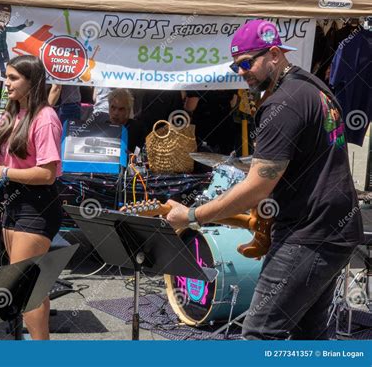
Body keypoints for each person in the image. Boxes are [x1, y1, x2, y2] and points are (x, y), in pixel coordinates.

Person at [166, 19, 363, 340]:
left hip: (309, 233)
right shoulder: (312, 85)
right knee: (307, 336)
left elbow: (258, 186)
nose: (242, 72)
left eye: (247, 62)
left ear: (274, 53)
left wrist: (190, 215)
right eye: (236, 65)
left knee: (259, 333)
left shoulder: (282, 104)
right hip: (333, 230)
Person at [0, 55, 63, 340]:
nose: (6, 83)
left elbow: (47, 174)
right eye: (6, 77)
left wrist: (6, 171)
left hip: (37, 205)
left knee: (23, 287)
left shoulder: (45, 119)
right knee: (29, 285)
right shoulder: (11, 115)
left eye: (13, 78)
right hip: (13, 204)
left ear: (32, 82)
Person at [97, 88, 146, 153]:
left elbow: (140, 151)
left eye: (121, 109)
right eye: (113, 108)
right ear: (108, 107)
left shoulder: (138, 129)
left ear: (128, 111)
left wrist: (133, 156)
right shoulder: (103, 128)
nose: (116, 113)